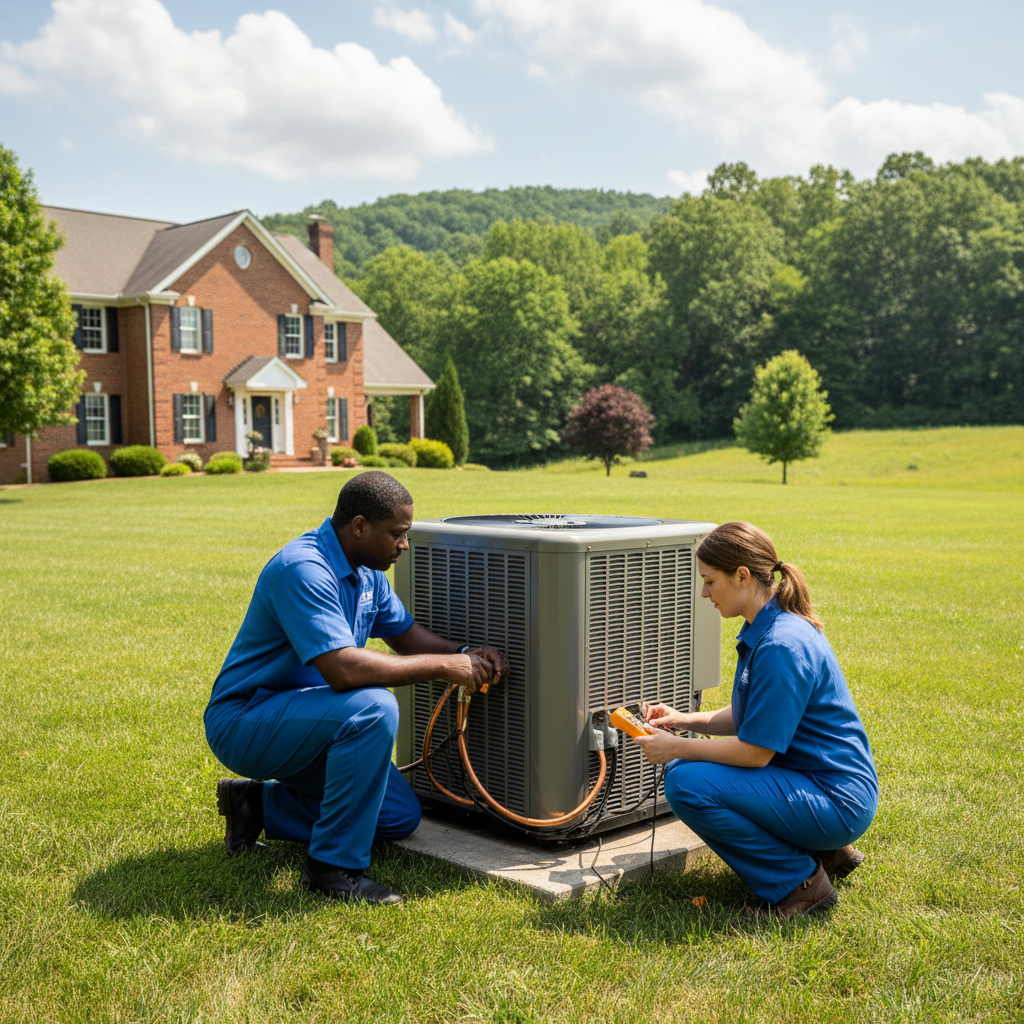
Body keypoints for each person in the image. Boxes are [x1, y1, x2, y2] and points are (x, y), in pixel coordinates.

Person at [204, 471, 507, 906]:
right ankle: (332, 869)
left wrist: (466, 652)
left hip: (313, 720)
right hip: (247, 720)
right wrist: (445, 666)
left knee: (399, 815)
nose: (404, 545)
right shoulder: (303, 569)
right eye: (397, 534)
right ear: (361, 526)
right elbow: (343, 671)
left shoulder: (367, 571)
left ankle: (255, 804)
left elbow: (404, 635)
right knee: (374, 707)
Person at [633, 521, 878, 920]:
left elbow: (756, 752)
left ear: (742, 577)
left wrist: (676, 748)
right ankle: (827, 853)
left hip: (836, 800)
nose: (704, 592)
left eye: (710, 581)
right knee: (690, 770)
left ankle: (800, 886)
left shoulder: (781, 644)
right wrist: (683, 720)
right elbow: (755, 716)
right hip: (823, 786)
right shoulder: (768, 626)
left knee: (685, 781)